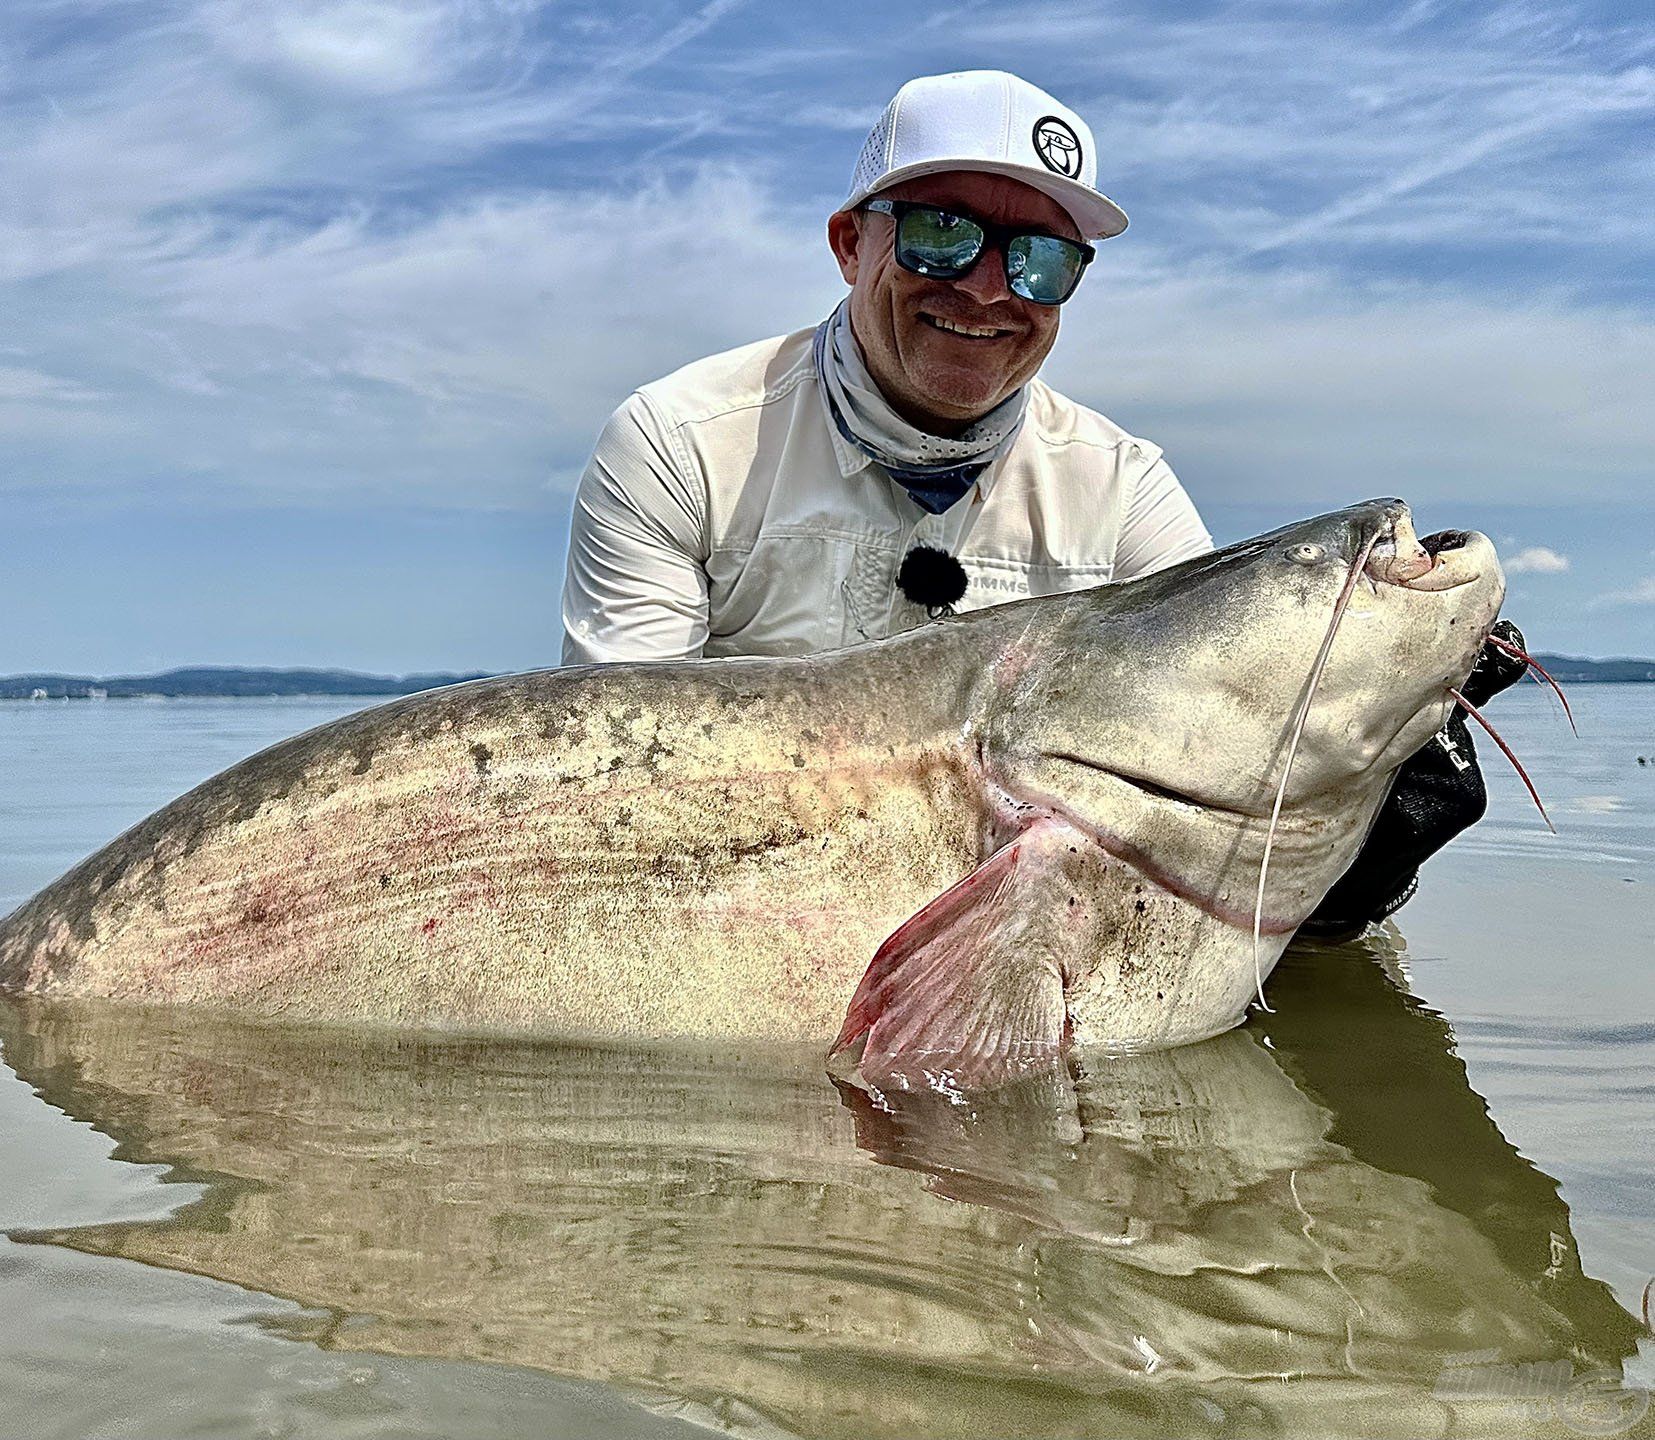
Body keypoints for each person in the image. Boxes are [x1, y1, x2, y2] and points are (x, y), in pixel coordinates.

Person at [560, 68, 1524, 937]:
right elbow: (613, 788)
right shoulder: (678, 441)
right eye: (943, 235)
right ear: (851, 243)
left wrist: (1353, 831)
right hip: (749, 907)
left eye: (1041, 260)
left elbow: (1221, 753)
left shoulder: (1123, 485)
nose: (987, 290)